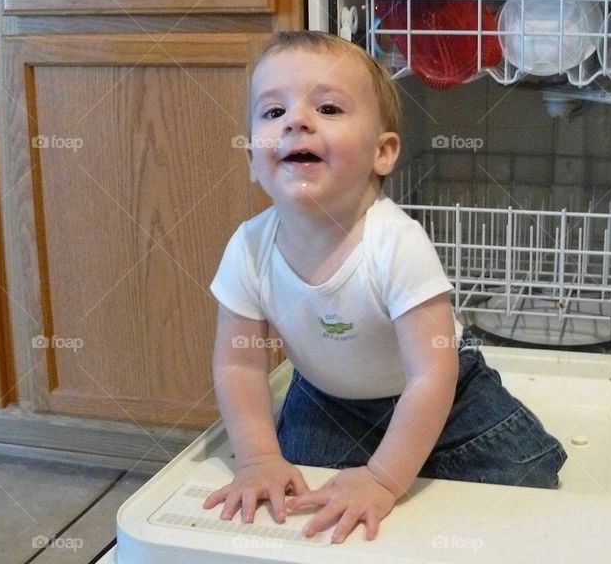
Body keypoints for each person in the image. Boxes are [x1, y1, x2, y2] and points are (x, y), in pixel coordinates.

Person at [202, 31, 567, 545]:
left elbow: (430, 374)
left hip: (445, 392)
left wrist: (383, 480)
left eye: (328, 108)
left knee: (524, 478)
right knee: (302, 492)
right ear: (251, 157)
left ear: (383, 152)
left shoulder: (395, 242)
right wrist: (259, 458)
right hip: (327, 397)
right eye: (271, 112)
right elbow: (239, 361)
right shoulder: (248, 247)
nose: (296, 121)